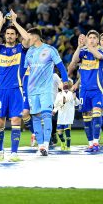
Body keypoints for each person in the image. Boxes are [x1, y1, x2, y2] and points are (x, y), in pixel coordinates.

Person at [0, 10, 30, 161]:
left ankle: (14, 153)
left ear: (15, 36)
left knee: (15, 120)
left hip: (16, 90)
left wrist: (15, 22)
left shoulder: (20, 48)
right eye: (8, 34)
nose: (10, 36)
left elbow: (27, 38)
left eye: (12, 34)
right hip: (1, 90)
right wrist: (0, 24)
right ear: (5, 36)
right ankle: (0, 152)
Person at [24, 28, 69, 156]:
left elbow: (60, 66)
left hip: (46, 89)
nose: (27, 39)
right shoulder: (29, 52)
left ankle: (46, 144)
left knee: (46, 115)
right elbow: (23, 72)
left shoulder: (50, 50)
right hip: (32, 90)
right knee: (36, 117)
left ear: (36, 37)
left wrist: (65, 81)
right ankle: (41, 146)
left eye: (29, 36)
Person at [70, 30, 103, 153]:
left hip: (97, 89)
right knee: (86, 117)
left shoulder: (102, 51)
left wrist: (87, 45)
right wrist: (79, 47)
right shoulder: (83, 52)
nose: (91, 39)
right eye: (89, 37)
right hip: (84, 90)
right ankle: (90, 143)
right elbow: (74, 62)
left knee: (96, 114)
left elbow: (99, 57)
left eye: (93, 38)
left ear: (97, 40)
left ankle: (96, 142)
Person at [52, 81, 79, 151]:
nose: (65, 84)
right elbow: (56, 104)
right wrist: (54, 111)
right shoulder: (59, 94)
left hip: (68, 116)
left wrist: (75, 98)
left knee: (67, 131)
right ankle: (63, 142)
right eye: (64, 83)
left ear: (70, 85)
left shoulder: (72, 94)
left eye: (67, 83)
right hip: (61, 115)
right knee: (59, 133)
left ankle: (68, 146)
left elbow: (77, 103)